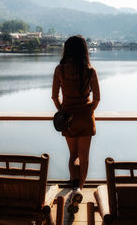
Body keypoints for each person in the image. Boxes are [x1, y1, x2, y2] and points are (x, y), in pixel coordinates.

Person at [52, 35, 100, 214]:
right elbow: (96, 98)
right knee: (84, 157)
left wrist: (62, 111)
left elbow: (54, 96)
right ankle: (79, 189)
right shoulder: (90, 70)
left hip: (68, 118)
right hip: (86, 117)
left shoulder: (60, 70)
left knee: (73, 155)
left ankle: (75, 189)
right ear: (84, 50)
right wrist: (88, 111)